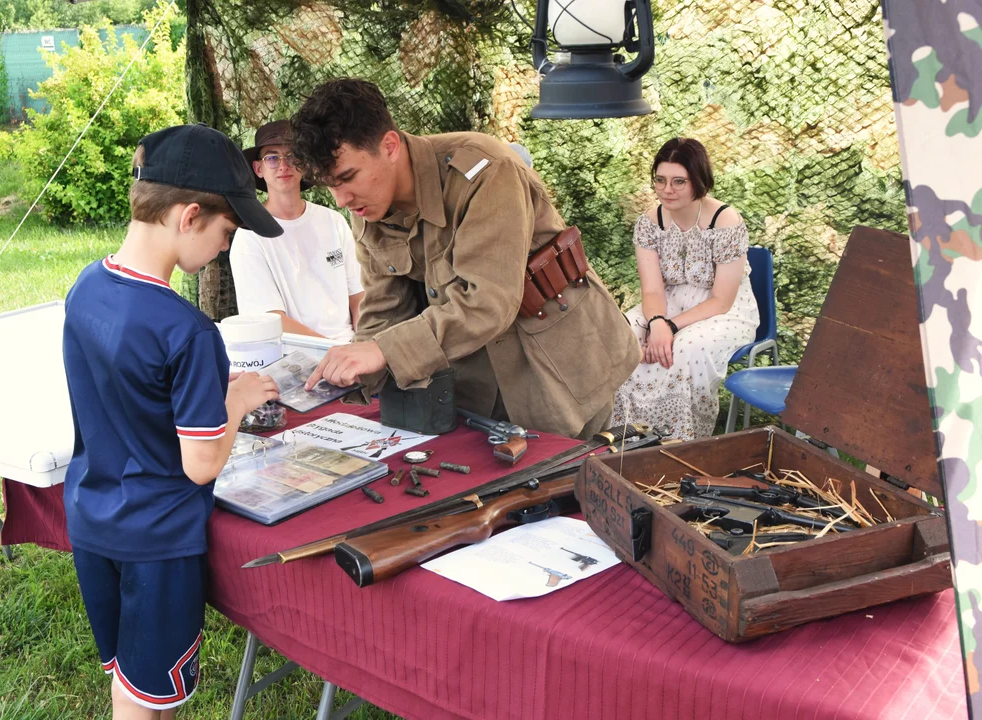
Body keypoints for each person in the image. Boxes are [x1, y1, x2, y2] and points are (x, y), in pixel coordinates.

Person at [61, 124, 281, 720]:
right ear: (189, 217)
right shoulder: (189, 331)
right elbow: (202, 461)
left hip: (92, 513)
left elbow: (122, 395)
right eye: (226, 232)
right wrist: (234, 402)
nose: (225, 248)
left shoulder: (85, 287)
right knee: (150, 699)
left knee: (128, 677)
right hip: (155, 538)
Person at [291, 78, 641, 439]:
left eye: (348, 177)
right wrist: (351, 375)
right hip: (473, 380)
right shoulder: (367, 202)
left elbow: (488, 302)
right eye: (331, 185)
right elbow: (383, 311)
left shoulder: (486, 172)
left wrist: (383, 351)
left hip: (560, 367)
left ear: (390, 146)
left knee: (570, 485)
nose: (341, 200)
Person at [611, 137, 759, 441]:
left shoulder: (725, 221)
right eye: (660, 180)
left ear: (698, 181)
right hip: (666, 303)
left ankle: (679, 442)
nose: (667, 190)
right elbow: (652, 290)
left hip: (723, 311)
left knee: (685, 348)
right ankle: (625, 440)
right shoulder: (649, 223)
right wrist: (656, 322)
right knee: (620, 336)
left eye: (679, 181)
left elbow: (721, 300)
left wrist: (669, 327)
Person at [230, 119, 364, 341]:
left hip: (351, 348)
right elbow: (270, 320)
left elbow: (358, 296)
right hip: (294, 360)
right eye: (272, 158)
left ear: (306, 164)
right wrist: (333, 351)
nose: (284, 165)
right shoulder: (250, 236)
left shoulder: (333, 220)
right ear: (258, 168)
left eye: (293, 156)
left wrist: (365, 341)